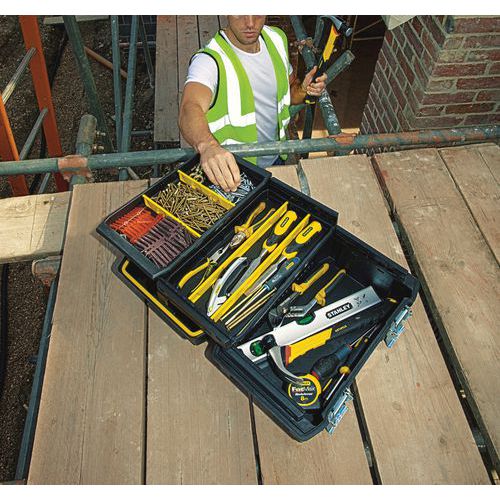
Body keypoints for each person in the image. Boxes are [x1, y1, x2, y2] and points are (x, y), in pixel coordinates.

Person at [178, 15, 327, 192]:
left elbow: (289, 91)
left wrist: (303, 90)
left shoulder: (276, 39)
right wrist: (207, 146)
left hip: (276, 158)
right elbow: (189, 107)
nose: (250, 23)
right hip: (231, 172)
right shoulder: (209, 61)